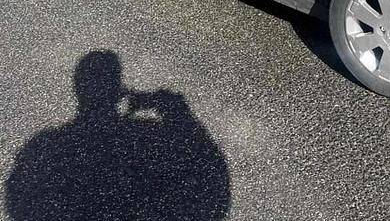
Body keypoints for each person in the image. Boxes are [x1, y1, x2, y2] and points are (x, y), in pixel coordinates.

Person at [5, 51, 230, 220]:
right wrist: (175, 108)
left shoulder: (44, 145)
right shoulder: (148, 134)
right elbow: (209, 166)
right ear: (117, 90)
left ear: (78, 89)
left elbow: (17, 199)